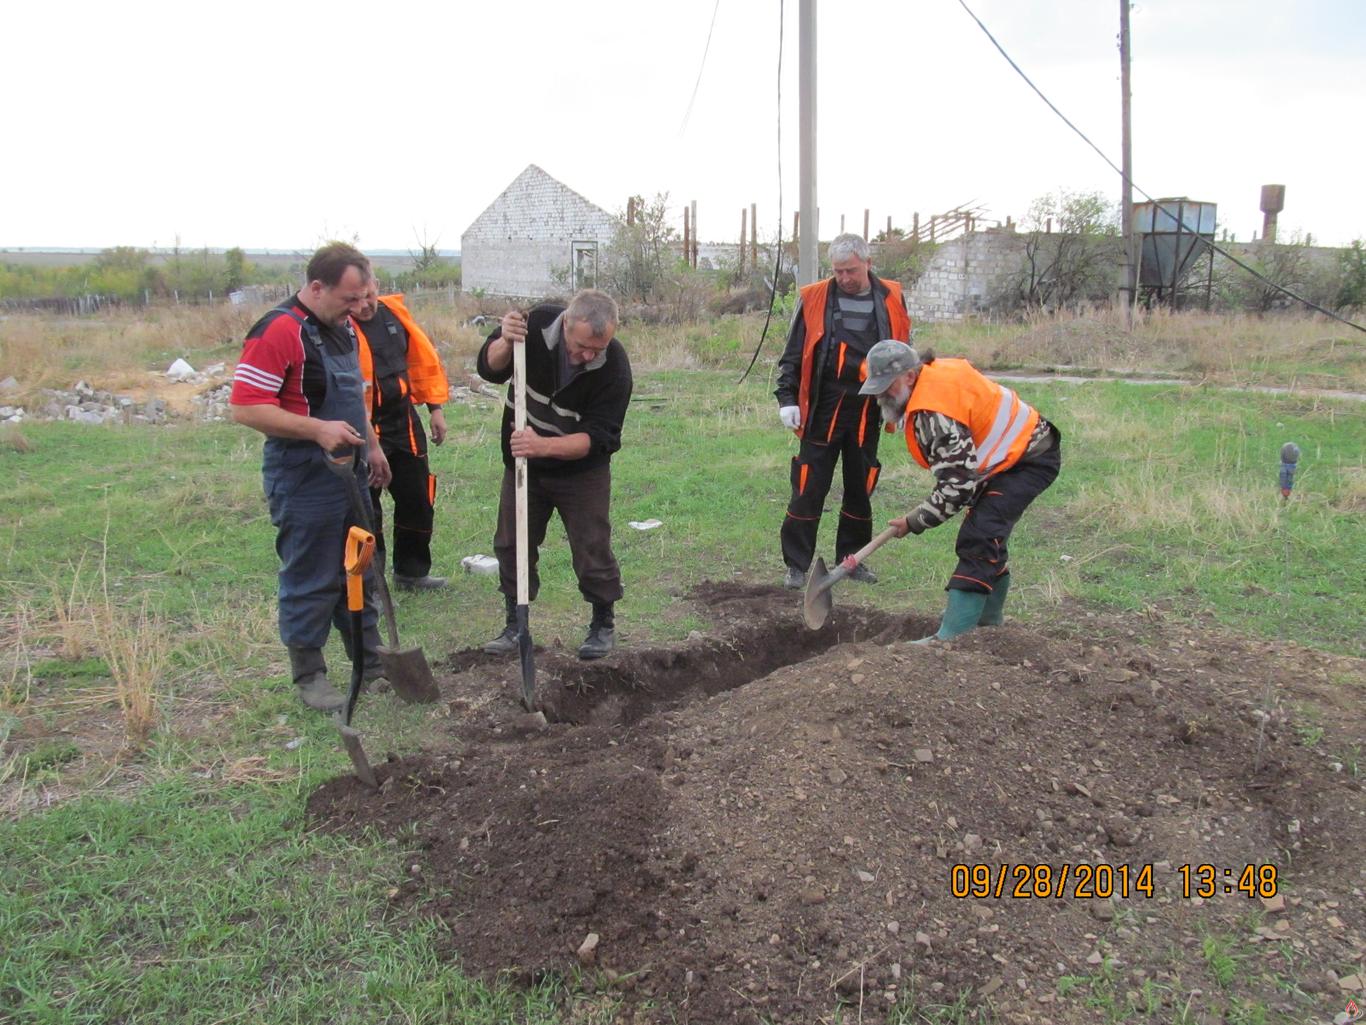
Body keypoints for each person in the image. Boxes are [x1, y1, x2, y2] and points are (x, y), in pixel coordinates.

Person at [229, 243, 392, 712]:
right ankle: (309, 673)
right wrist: (316, 429)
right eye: (350, 298)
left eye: (365, 296)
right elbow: (245, 407)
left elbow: (355, 396)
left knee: (360, 565)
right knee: (312, 573)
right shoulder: (278, 331)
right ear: (316, 287)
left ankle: (372, 657)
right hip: (304, 475)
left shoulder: (344, 330)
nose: (360, 308)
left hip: (352, 469)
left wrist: (375, 445)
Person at [857, 339, 1062, 642]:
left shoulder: (933, 412)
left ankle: (952, 637)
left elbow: (957, 487)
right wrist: (915, 518)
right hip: (1012, 456)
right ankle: (987, 622)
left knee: (979, 536)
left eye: (887, 385)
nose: (879, 396)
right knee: (988, 533)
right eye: (876, 386)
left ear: (910, 376)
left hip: (1027, 460)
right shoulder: (933, 376)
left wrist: (915, 521)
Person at [475, 289, 633, 660]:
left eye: (598, 348)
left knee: (591, 544)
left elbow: (600, 439)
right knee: (512, 542)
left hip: (581, 471)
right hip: (524, 465)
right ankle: (516, 623)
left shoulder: (614, 367)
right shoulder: (533, 325)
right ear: (566, 324)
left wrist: (541, 445)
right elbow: (489, 367)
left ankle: (602, 622)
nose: (588, 355)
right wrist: (504, 338)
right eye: (581, 346)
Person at [774, 233, 911, 590]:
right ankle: (796, 565)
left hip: (869, 407)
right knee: (808, 485)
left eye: (851, 270)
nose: (844, 278)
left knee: (860, 486)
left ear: (868, 263)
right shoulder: (814, 297)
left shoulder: (892, 297)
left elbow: (902, 352)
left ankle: (851, 561)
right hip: (824, 407)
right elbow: (794, 353)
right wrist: (786, 398)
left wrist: (903, 401)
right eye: (838, 271)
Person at [352, 282, 452, 590]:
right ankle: (370, 586)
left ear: (377, 287)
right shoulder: (337, 326)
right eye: (356, 299)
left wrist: (435, 408)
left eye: (369, 295)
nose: (365, 304)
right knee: (366, 509)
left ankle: (412, 572)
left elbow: (420, 363)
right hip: (360, 425)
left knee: (418, 498)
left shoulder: (394, 315)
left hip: (403, 422)